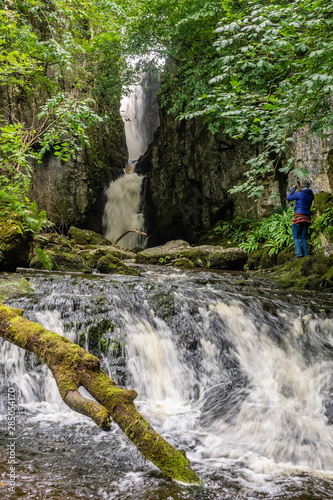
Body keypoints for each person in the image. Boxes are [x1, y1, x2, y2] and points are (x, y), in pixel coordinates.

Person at [287, 179, 314, 258]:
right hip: (307, 218)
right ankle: (305, 255)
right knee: (303, 237)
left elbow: (289, 198)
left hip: (299, 217)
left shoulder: (299, 193)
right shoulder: (311, 195)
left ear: (302, 186)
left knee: (295, 237)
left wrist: (293, 189)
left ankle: (299, 254)